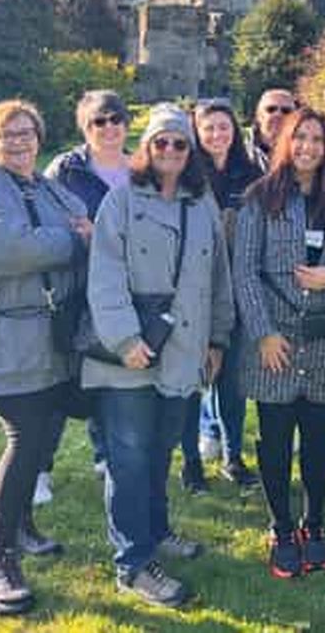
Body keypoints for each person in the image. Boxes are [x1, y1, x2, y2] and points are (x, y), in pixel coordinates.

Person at [84, 104, 234, 610]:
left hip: (184, 353)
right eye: (160, 142)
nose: (170, 150)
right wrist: (125, 339)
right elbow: (104, 275)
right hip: (128, 357)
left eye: (179, 143)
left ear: (190, 151)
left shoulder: (202, 202)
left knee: (160, 451)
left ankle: (157, 530)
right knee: (128, 459)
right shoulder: (121, 201)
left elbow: (218, 278)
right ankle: (133, 562)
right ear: (146, 147)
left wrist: (217, 340)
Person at [0, 99, 91, 616]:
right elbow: (4, 249)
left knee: (44, 434)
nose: (18, 142)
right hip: (7, 342)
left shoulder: (46, 187)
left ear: (39, 138)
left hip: (49, 338)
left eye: (27, 133)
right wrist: (71, 241)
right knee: (25, 438)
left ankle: (23, 528)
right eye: (7, 134)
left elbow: (86, 222)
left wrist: (76, 235)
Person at [233, 107, 325, 578]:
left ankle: (313, 524)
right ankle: (281, 526)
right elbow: (244, 272)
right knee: (274, 437)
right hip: (274, 338)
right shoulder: (260, 198)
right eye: (300, 138)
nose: (308, 147)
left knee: (317, 436)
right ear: (285, 142)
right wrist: (264, 333)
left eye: (317, 139)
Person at [38, 90, 132, 501]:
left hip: (122, 292)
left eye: (115, 119)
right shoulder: (66, 170)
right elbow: (45, 219)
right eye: (98, 121)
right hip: (76, 289)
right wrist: (86, 238)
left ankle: (106, 456)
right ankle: (39, 467)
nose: (108, 128)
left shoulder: (140, 168)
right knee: (62, 381)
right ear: (84, 127)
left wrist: (106, 238)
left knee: (109, 375)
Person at [180, 98, 262, 493]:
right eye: (208, 127)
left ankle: (233, 456)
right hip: (194, 292)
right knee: (191, 379)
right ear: (197, 131)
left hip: (239, 289)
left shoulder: (251, 175)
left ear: (235, 131)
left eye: (223, 127)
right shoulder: (186, 175)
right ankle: (191, 462)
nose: (217, 134)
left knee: (231, 382)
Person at [246, 88, 297, 172]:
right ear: (259, 116)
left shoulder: (304, 155)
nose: (278, 114)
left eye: (286, 111)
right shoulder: (241, 154)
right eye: (271, 109)